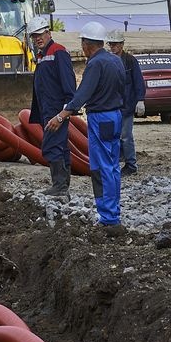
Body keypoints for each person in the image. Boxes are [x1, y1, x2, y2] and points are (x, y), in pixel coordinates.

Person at [46, 21, 126, 232]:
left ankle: (109, 218)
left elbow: (81, 96)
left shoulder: (95, 64)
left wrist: (61, 116)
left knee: (101, 168)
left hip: (101, 119)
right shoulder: (116, 61)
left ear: (87, 44)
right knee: (113, 166)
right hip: (116, 116)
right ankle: (113, 212)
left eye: (82, 43)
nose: (82, 48)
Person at [28, 16, 77, 196]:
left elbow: (69, 84)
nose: (37, 39)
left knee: (51, 146)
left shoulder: (58, 51)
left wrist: (65, 111)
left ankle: (59, 186)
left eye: (40, 34)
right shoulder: (41, 56)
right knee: (60, 146)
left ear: (48, 33)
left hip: (57, 110)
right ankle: (62, 185)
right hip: (46, 109)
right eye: (34, 36)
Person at [107, 29, 145, 176]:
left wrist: (140, 100)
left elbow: (138, 81)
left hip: (127, 106)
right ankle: (116, 162)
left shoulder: (130, 61)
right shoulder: (108, 60)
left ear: (122, 44)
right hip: (112, 106)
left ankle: (131, 165)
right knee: (113, 137)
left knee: (126, 136)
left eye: (116, 44)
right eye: (111, 44)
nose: (113, 47)